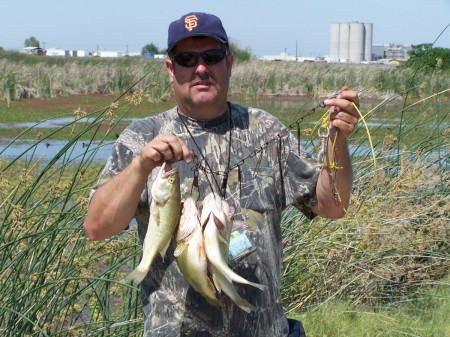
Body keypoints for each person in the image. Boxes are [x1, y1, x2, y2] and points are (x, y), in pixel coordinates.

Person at [83, 12, 360, 337]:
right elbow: (97, 227)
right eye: (187, 58)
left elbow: (332, 206)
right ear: (171, 69)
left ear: (228, 63)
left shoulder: (266, 130)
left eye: (211, 57)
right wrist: (141, 166)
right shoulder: (143, 137)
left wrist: (337, 140)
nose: (201, 68)